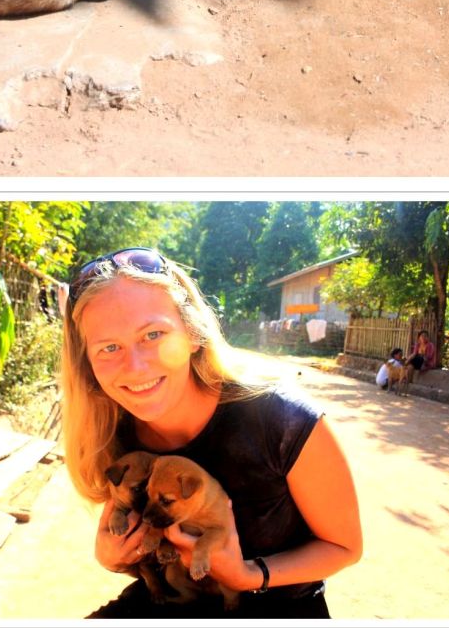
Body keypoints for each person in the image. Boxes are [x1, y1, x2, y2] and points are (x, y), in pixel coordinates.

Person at [60, 248, 362, 618]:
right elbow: (147, 548)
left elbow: (345, 547)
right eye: (109, 347)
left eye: (153, 334)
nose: (135, 367)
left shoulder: (283, 420)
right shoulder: (112, 434)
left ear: (194, 334)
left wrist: (249, 574)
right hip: (175, 599)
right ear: (87, 364)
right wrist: (112, 557)